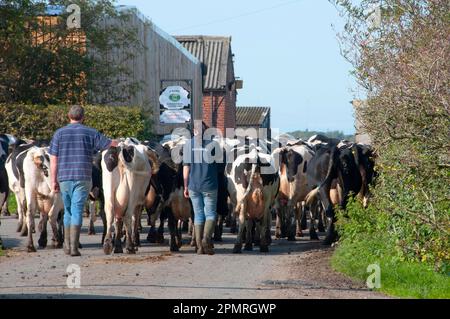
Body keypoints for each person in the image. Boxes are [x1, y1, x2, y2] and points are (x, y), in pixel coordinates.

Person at [49, 105, 118, 257]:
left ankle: (67, 246)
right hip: (83, 177)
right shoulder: (90, 132)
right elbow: (109, 145)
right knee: (77, 209)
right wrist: (117, 142)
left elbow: (53, 160)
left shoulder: (59, 134)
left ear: (69, 116)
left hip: (64, 177)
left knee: (67, 210)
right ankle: (74, 247)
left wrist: (53, 180)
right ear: (83, 117)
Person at [183, 121, 218, 255]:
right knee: (210, 214)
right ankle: (206, 239)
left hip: (193, 185)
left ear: (194, 131)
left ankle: (199, 247)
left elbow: (186, 168)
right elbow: (221, 167)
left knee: (198, 215)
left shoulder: (188, 145)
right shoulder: (213, 144)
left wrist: (186, 186)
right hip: (210, 185)